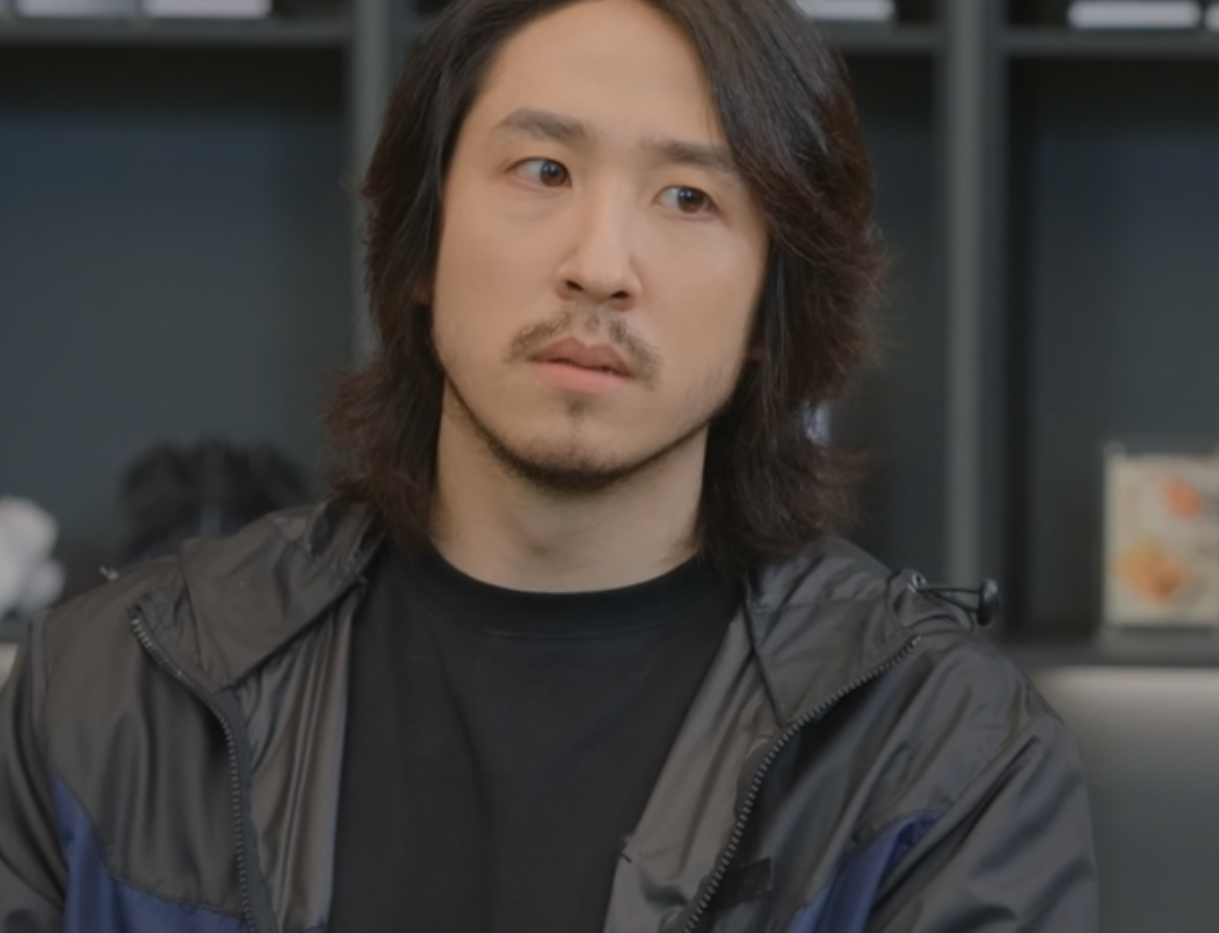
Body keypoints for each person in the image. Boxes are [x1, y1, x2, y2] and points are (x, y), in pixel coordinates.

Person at [0, 0, 1098, 930]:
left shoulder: (939, 754)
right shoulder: (108, 698)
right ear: (422, 242)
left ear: (771, 311)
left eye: (689, 197)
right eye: (542, 170)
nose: (600, 266)